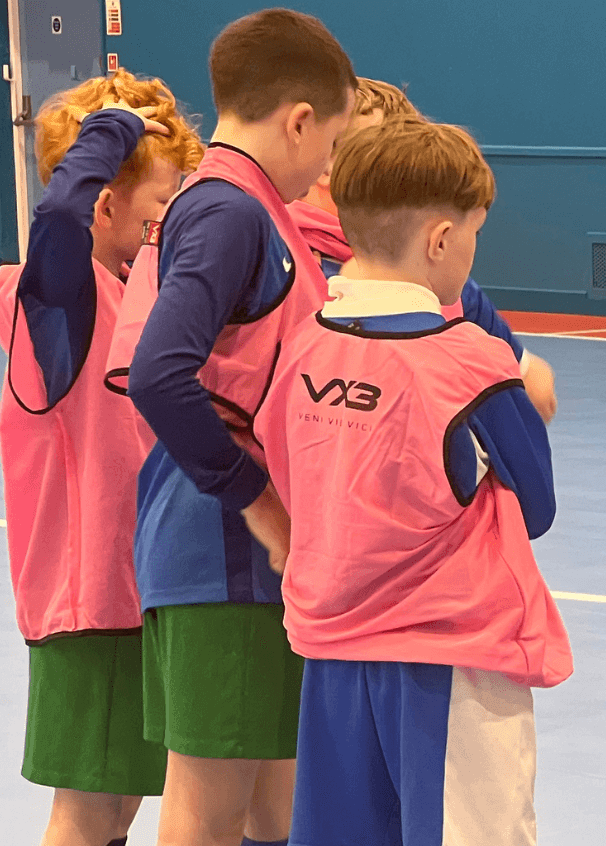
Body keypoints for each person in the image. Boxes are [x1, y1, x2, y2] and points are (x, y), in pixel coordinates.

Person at [254, 116, 568, 846]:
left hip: (331, 654)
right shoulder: (474, 363)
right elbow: (538, 505)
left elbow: (288, 472)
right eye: (474, 233)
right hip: (449, 660)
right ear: (440, 239)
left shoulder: (301, 346)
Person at [104, 9, 355, 846]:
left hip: (247, 567)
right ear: (299, 120)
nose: (328, 166)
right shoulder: (229, 212)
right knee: (207, 815)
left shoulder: (256, 211)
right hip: (222, 559)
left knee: (271, 808)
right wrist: (263, 508)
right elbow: (158, 376)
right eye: (332, 144)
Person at [0, 69, 201, 846]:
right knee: (86, 808)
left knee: (122, 803)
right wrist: (111, 128)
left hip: (136, 591)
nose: (173, 219)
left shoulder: (135, 296)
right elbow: (55, 219)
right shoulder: (58, 306)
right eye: (161, 203)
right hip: (88, 599)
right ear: (107, 207)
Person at [286, 77, 559, 423]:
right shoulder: (281, 268)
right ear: (325, 164)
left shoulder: (443, 277)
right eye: (378, 155)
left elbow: (535, 387)